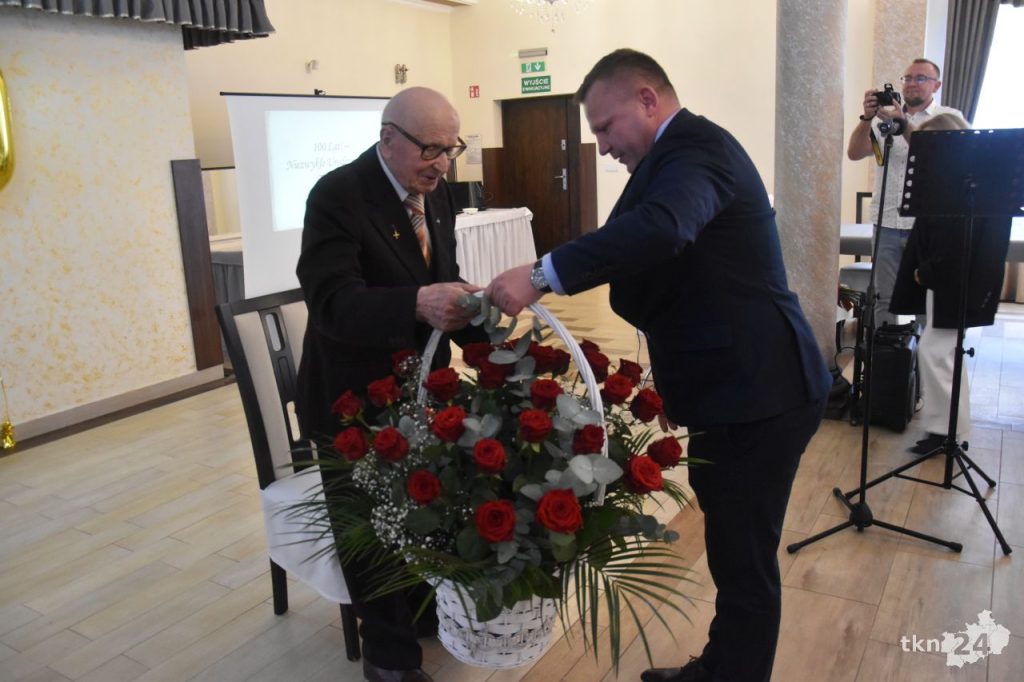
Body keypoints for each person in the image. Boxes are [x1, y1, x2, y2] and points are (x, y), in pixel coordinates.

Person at [486, 49, 831, 682]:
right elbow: (655, 259)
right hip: (736, 390)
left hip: (763, 391)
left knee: (744, 562)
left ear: (647, 99)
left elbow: (664, 228)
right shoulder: (667, 158)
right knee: (732, 549)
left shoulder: (699, 151)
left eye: (605, 127)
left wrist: (541, 274)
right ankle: (723, 667)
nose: (602, 145)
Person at [295, 86, 482, 682]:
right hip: (349, 399)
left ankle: (419, 615)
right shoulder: (338, 195)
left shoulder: (437, 192)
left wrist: (484, 318)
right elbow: (332, 303)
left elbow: (440, 275)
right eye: (431, 149)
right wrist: (419, 302)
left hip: (417, 390)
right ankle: (388, 659)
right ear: (388, 138)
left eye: (450, 149)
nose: (442, 163)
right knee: (371, 531)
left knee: (425, 507)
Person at [889, 113, 1012, 454]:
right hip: (945, 278)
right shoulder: (954, 181)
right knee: (942, 352)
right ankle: (947, 429)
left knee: (937, 350)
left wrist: (928, 271)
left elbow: (959, 240)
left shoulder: (968, 184)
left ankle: (945, 433)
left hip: (956, 280)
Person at [846, 58, 964, 329]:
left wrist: (904, 123)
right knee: (883, 299)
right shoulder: (885, 119)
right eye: (908, 78)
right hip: (886, 222)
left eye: (921, 78)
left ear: (937, 85)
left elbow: (935, 155)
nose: (912, 83)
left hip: (926, 225)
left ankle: (926, 355)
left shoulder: (947, 117)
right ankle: (886, 352)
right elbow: (854, 152)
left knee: (928, 300)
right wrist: (867, 119)